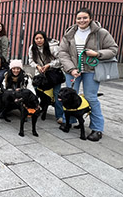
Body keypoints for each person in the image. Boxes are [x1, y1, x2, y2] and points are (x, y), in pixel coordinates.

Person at [59, 7, 118, 142]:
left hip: (92, 70)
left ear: (90, 18)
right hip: (73, 70)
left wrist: (97, 54)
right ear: (75, 19)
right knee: (68, 96)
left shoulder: (100, 33)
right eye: (79, 18)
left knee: (91, 97)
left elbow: (113, 49)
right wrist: (71, 68)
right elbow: (63, 52)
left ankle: (97, 128)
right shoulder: (70, 33)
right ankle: (70, 121)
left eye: (85, 17)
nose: (82, 20)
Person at [28, 31, 64, 123]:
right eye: (36, 38)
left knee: (57, 94)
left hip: (53, 74)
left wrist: (49, 65)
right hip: (40, 74)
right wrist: (37, 66)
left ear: (44, 39)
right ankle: (35, 109)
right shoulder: (32, 48)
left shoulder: (53, 47)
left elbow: (60, 60)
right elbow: (30, 60)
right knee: (35, 90)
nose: (39, 40)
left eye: (41, 38)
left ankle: (59, 116)